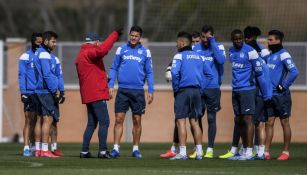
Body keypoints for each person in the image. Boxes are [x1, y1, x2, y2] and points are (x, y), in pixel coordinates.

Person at [108, 26, 154, 158]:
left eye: (136, 36)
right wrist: (110, 85)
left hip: (138, 91)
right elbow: (114, 68)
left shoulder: (146, 52)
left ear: (140, 38)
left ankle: (135, 149)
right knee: (118, 119)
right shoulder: (121, 49)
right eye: (132, 35)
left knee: (137, 120)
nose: (134, 38)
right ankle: (116, 149)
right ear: (129, 35)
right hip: (122, 90)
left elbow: (150, 72)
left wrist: (151, 90)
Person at [75, 29, 122, 159]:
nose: (100, 44)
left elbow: (90, 73)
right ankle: (102, 151)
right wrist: (114, 35)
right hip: (96, 93)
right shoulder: (90, 52)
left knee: (91, 123)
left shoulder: (81, 53)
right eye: (98, 42)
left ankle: (84, 151)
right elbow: (102, 50)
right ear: (95, 42)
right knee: (105, 121)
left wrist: (103, 78)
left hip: (88, 94)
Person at [228, 29, 266, 160]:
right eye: (235, 39)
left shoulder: (251, 51)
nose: (238, 41)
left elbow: (259, 71)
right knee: (238, 119)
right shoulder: (231, 51)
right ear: (232, 39)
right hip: (236, 89)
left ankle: (249, 152)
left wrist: (262, 90)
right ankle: (244, 151)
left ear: (243, 39)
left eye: (240, 39)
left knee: (248, 119)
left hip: (247, 89)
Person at [169, 31, 208, 160]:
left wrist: (176, 90)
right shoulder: (199, 57)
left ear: (182, 43)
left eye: (177, 43)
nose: (176, 45)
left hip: (183, 91)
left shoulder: (178, 56)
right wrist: (200, 89)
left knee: (181, 122)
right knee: (195, 123)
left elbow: (174, 74)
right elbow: (208, 74)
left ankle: (183, 153)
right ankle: (200, 152)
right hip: (197, 92)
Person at [192, 25, 226, 158]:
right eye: (203, 37)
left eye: (208, 37)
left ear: (212, 36)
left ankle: (210, 149)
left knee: (211, 118)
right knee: (197, 117)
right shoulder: (195, 48)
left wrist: (213, 43)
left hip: (213, 88)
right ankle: (198, 147)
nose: (205, 39)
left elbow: (221, 60)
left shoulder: (219, 47)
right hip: (199, 88)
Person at [265, 30, 299, 160]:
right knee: (269, 122)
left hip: (281, 96)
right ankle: (266, 152)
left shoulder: (284, 54)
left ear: (278, 41)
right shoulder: (270, 55)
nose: (268, 42)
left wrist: (284, 86)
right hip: (269, 95)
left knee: (284, 122)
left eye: (270, 40)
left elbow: (294, 72)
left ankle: (285, 152)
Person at [33, 31, 61, 158]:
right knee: (48, 119)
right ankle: (44, 150)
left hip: (38, 90)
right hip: (45, 91)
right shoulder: (44, 54)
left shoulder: (38, 52)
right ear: (46, 41)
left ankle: (38, 150)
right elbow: (47, 74)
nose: (55, 44)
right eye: (53, 41)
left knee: (39, 119)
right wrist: (55, 90)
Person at [18, 32, 42, 156]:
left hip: (41, 93)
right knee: (29, 120)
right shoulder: (25, 57)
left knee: (39, 120)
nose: (40, 45)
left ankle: (35, 146)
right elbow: (21, 75)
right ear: (33, 42)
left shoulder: (44, 56)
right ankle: (26, 147)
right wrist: (23, 92)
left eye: (41, 42)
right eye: (38, 42)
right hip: (29, 93)